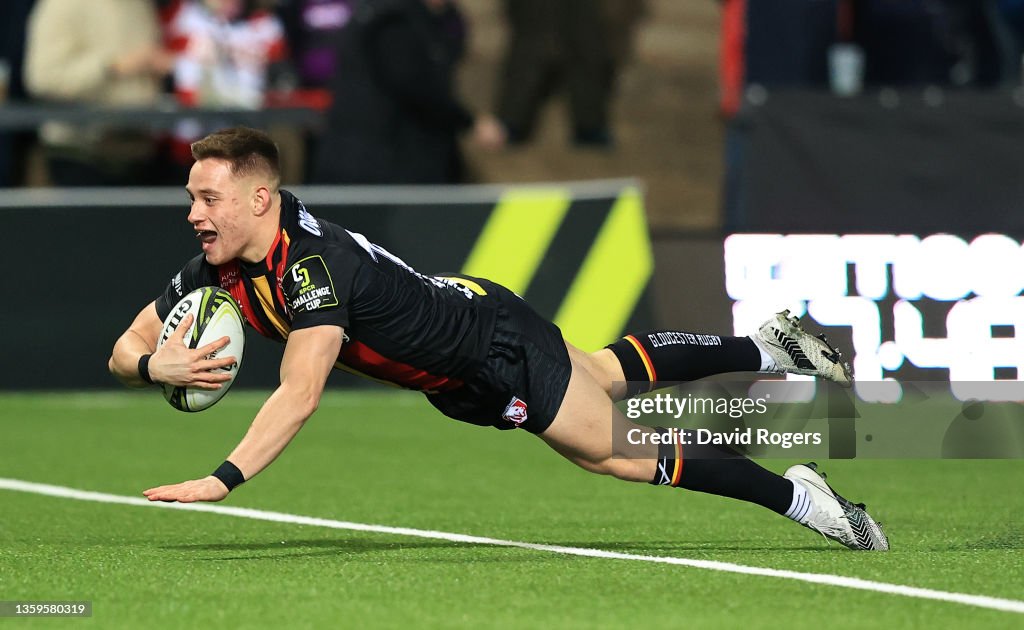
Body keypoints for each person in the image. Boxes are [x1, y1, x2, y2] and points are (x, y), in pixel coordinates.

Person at [109, 127, 888, 552]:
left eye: (207, 197)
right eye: (191, 198)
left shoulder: (313, 268)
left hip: (488, 347)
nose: (194, 214)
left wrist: (223, 478)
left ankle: (801, 498)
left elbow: (301, 391)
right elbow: (124, 347)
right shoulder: (221, 266)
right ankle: (764, 347)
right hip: (462, 360)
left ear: (258, 196)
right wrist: (155, 363)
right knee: (603, 372)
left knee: (615, 450)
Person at [309, 0, 505, 184]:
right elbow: (413, 85)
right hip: (380, 163)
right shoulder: (393, 20)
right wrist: (470, 122)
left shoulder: (441, 18)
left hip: (381, 159)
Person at [23, 0, 176, 186]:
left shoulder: (140, 5)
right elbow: (42, 78)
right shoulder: (61, 4)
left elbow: (150, 60)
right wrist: (110, 67)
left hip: (139, 151)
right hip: (82, 153)